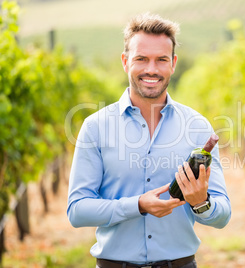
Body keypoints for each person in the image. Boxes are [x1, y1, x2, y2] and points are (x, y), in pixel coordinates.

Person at [67, 13, 231, 268]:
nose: (151, 69)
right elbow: (77, 211)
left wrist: (201, 203)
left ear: (173, 63)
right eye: (141, 59)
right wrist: (138, 205)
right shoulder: (95, 127)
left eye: (161, 60)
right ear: (125, 61)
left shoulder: (197, 127)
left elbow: (222, 215)